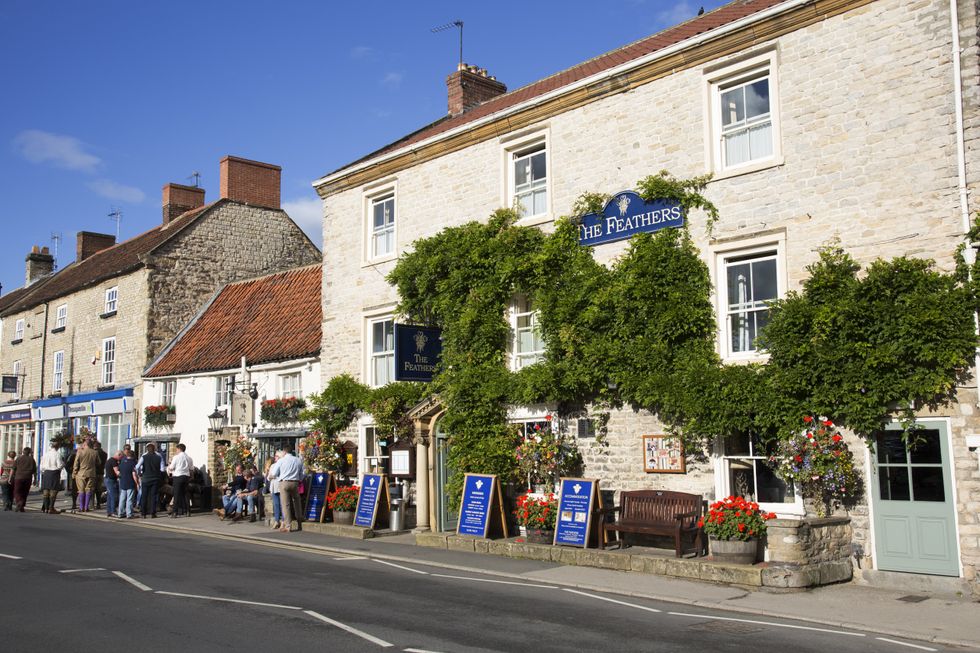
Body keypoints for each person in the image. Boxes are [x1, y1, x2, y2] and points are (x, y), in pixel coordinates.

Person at [269, 444, 304, 533]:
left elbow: (274, 473)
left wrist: (274, 476)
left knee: (286, 505)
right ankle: (300, 522)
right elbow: (302, 474)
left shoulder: (281, 461)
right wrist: (298, 479)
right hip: (295, 482)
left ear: (284, 451)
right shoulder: (298, 460)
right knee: (297, 502)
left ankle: (288, 526)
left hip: (284, 482)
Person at [136, 444, 164, 518]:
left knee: (144, 496)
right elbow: (162, 469)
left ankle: (143, 513)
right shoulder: (159, 457)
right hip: (155, 478)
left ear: (147, 449)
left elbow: (137, 467)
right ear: (154, 449)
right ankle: (153, 513)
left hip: (145, 479)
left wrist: (140, 473)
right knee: (153, 496)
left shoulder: (144, 457)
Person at [72, 440, 99, 512]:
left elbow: (76, 463)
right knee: (89, 489)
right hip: (91, 473)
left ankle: (81, 507)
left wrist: (74, 473)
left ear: (85, 445)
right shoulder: (95, 452)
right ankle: (86, 507)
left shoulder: (80, 452)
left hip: (81, 473)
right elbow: (99, 462)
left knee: (81, 490)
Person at [167, 443, 193, 518]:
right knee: (185, 494)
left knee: (176, 494)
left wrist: (169, 466)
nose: (176, 451)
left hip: (178, 477)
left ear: (179, 449)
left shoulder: (176, 457)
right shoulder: (189, 458)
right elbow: (191, 469)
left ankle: (175, 512)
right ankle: (188, 511)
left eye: (176, 449)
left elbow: (171, 467)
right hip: (186, 477)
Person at [40, 441, 64, 514]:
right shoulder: (57, 454)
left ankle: (45, 509)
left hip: (46, 473)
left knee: (46, 492)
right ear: (57, 447)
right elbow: (59, 465)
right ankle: (51, 508)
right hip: (54, 473)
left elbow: (41, 466)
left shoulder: (46, 454)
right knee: (53, 491)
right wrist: (63, 465)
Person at [11, 447, 36, 512]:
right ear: (29, 452)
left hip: (18, 477)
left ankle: (19, 503)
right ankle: (21, 506)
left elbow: (13, 469)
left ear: (23, 452)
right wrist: (35, 479)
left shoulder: (18, 459)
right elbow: (34, 471)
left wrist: (10, 477)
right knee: (25, 492)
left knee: (17, 491)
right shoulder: (32, 460)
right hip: (28, 478)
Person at [117, 450, 138, 519]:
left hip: (123, 482)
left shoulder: (122, 462)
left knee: (122, 498)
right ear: (133, 456)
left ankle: (120, 513)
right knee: (129, 499)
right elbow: (134, 474)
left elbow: (118, 472)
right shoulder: (133, 463)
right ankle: (129, 514)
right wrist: (137, 483)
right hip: (130, 483)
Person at [265, 452, 283, 530]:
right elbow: (269, 477)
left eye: (276, 456)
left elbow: (279, 476)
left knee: (282, 505)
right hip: (273, 487)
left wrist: (273, 476)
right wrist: (272, 476)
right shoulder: (272, 465)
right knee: (276, 505)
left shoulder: (282, 465)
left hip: (280, 486)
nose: (275, 457)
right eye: (275, 456)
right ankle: (276, 520)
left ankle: (283, 520)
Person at [103, 450, 121, 517]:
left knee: (109, 496)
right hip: (111, 480)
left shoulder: (109, 460)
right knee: (114, 496)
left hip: (107, 479)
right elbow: (117, 472)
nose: (121, 459)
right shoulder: (114, 461)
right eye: (121, 457)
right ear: (118, 455)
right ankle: (113, 511)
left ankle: (109, 511)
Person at [93, 440, 108, 509]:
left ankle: (92, 504)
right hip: (101, 473)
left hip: (94, 472)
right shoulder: (105, 454)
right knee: (99, 489)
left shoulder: (94, 453)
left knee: (92, 488)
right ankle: (98, 503)